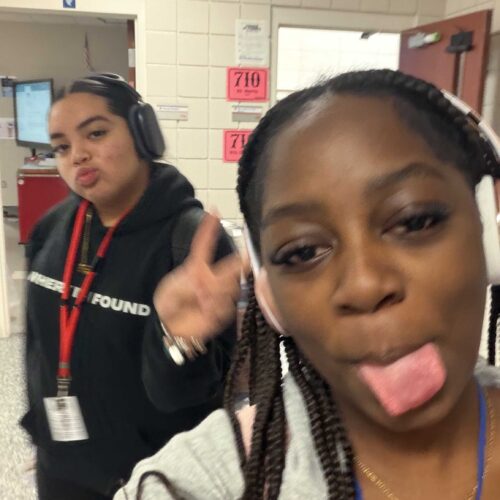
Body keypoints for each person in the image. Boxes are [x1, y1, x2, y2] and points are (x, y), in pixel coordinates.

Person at [115, 69, 500, 500]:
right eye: (302, 252)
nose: (364, 286)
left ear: (487, 230)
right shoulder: (212, 478)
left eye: (414, 220)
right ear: (271, 299)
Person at [20, 73, 241, 500]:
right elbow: (37, 347)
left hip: (151, 477)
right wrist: (42, 432)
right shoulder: (51, 229)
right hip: (61, 470)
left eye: (96, 133)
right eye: (61, 147)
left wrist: (176, 340)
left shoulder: (191, 243)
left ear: (144, 133)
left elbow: (195, 398)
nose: (78, 156)